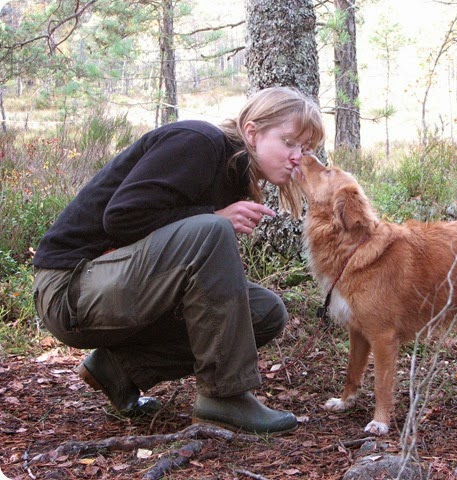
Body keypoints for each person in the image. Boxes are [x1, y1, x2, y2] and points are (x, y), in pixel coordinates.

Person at [32, 86, 325, 435]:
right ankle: (224, 396)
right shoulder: (198, 142)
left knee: (262, 312)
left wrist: (211, 217)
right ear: (252, 132)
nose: (297, 157)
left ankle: (119, 370)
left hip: (110, 287)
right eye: (289, 142)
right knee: (210, 229)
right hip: (69, 290)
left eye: (305, 149)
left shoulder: (231, 175)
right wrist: (214, 215)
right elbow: (122, 217)